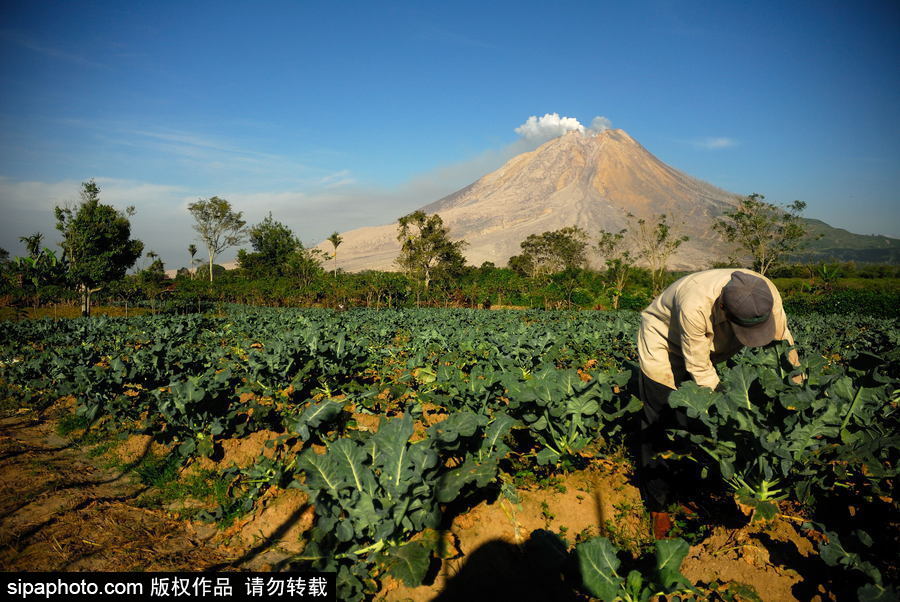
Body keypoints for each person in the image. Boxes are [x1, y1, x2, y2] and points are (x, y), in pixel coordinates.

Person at [636, 269, 800, 538]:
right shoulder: (695, 303)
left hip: (710, 345)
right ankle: (659, 505)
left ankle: (689, 490)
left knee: (698, 427)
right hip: (665, 344)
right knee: (662, 419)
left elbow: (784, 347)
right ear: (723, 306)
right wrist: (728, 409)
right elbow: (699, 369)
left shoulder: (765, 293)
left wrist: (796, 393)